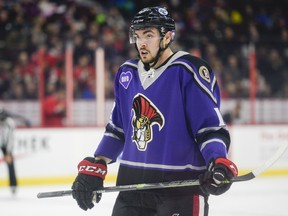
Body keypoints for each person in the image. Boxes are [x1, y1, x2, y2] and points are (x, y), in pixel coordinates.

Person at [71, 6, 238, 216]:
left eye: (149, 35)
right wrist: (98, 163)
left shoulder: (188, 71)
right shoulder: (127, 74)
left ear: (167, 37)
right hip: (131, 190)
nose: (141, 43)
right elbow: (118, 129)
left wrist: (217, 160)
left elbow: (210, 129)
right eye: (138, 36)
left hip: (179, 191)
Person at [0, 109, 18, 194]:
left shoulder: (9, 122)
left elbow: (11, 138)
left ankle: (13, 185)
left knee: (10, 164)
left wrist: (8, 152)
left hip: (6, 144)